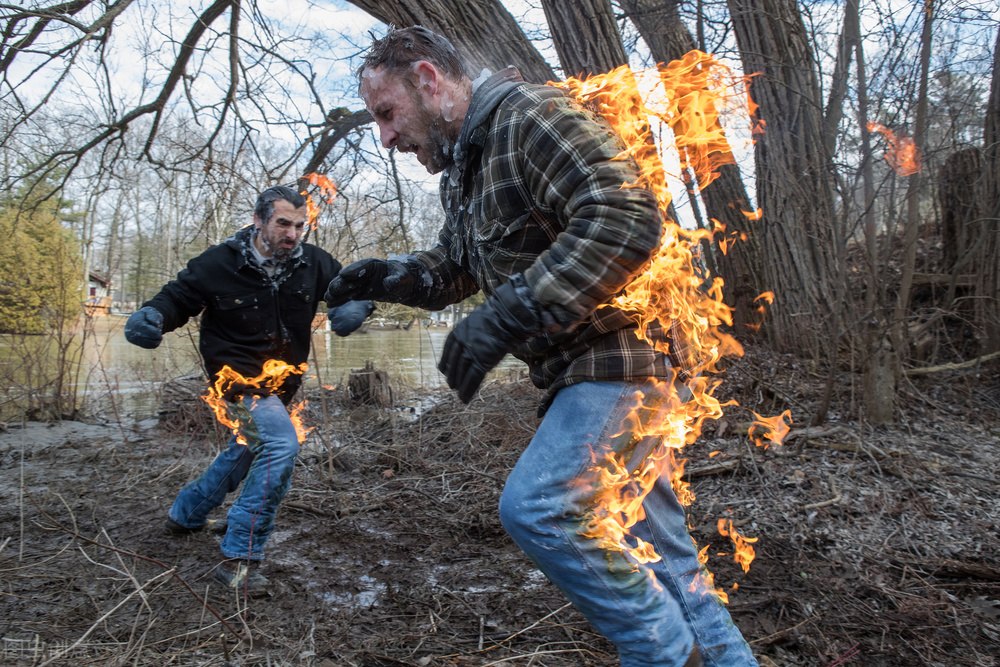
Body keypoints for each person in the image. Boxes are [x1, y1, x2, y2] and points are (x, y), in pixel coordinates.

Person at [325, 26, 758, 667]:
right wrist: (392, 276)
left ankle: (666, 654)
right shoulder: (465, 170)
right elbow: (458, 266)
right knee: (662, 557)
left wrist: (509, 314)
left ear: (427, 79)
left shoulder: (530, 117)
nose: (385, 137)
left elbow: (625, 217)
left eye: (386, 115)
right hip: (587, 374)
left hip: (624, 360)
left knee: (539, 507)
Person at [125, 185, 373, 595]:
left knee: (248, 448)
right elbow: (177, 297)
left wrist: (355, 307)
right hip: (235, 378)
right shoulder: (217, 263)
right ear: (258, 221)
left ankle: (186, 513)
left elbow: (346, 290)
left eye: (299, 225)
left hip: (283, 383)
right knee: (279, 445)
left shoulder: (315, 263)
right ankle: (239, 557)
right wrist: (152, 316)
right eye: (282, 224)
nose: (292, 234)